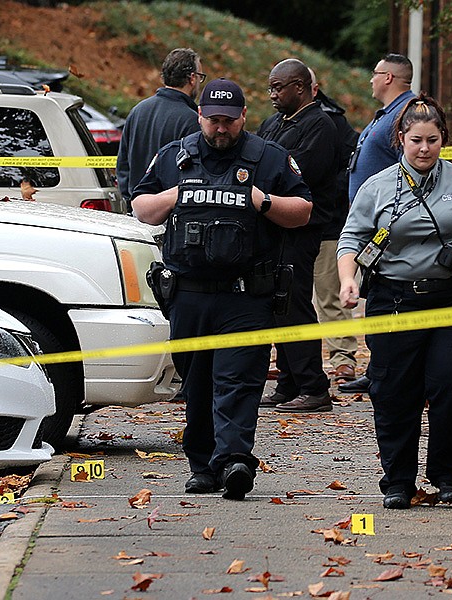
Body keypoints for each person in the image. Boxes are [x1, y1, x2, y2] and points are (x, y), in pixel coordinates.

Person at [131, 78, 312, 501]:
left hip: (246, 294)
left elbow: (303, 211)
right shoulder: (176, 156)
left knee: (238, 380)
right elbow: (141, 207)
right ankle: (202, 467)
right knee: (196, 382)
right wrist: (176, 195)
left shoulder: (268, 158)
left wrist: (262, 201)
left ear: (243, 117)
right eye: (213, 120)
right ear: (200, 117)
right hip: (190, 294)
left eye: (229, 121)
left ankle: (234, 460)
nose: (220, 128)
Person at [337, 93, 452, 509]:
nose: (424, 149)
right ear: (401, 140)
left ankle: (446, 474)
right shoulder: (377, 186)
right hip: (394, 299)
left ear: (443, 139)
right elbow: (351, 239)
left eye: (432, 140)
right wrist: (348, 281)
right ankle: (397, 481)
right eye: (416, 141)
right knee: (394, 391)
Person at [257, 58, 339, 413]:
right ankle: (289, 383)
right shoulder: (275, 122)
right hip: (274, 227)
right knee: (279, 305)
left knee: (296, 305)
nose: (272, 94)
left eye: (278, 87)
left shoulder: (321, 124)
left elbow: (297, 172)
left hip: (303, 227)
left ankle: (313, 386)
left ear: (300, 88)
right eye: (271, 87)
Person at [339, 53, 416, 395]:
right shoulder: (388, 114)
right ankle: (378, 367)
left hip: (391, 226)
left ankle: (388, 370)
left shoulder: (408, 114)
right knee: (377, 297)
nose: (370, 80)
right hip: (373, 226)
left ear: (388, 78)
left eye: (375, 74)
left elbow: (413, 167)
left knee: (390, 298)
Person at [309, 68, 359, 383]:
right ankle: (297, 362)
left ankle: (343, 358)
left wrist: (327, 195)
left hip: (328, 223)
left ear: (313, 89)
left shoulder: (335, 123)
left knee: (330, 295)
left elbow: (351, 169)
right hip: (292, 224)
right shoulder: (278, 123)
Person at [117, 47, 205, 208]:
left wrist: (131, 202)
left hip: (137, 211)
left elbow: (123, 165)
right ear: (192, 78)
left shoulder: (138, 111)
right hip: (170, 212)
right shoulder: (191, 120)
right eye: (200, 77)